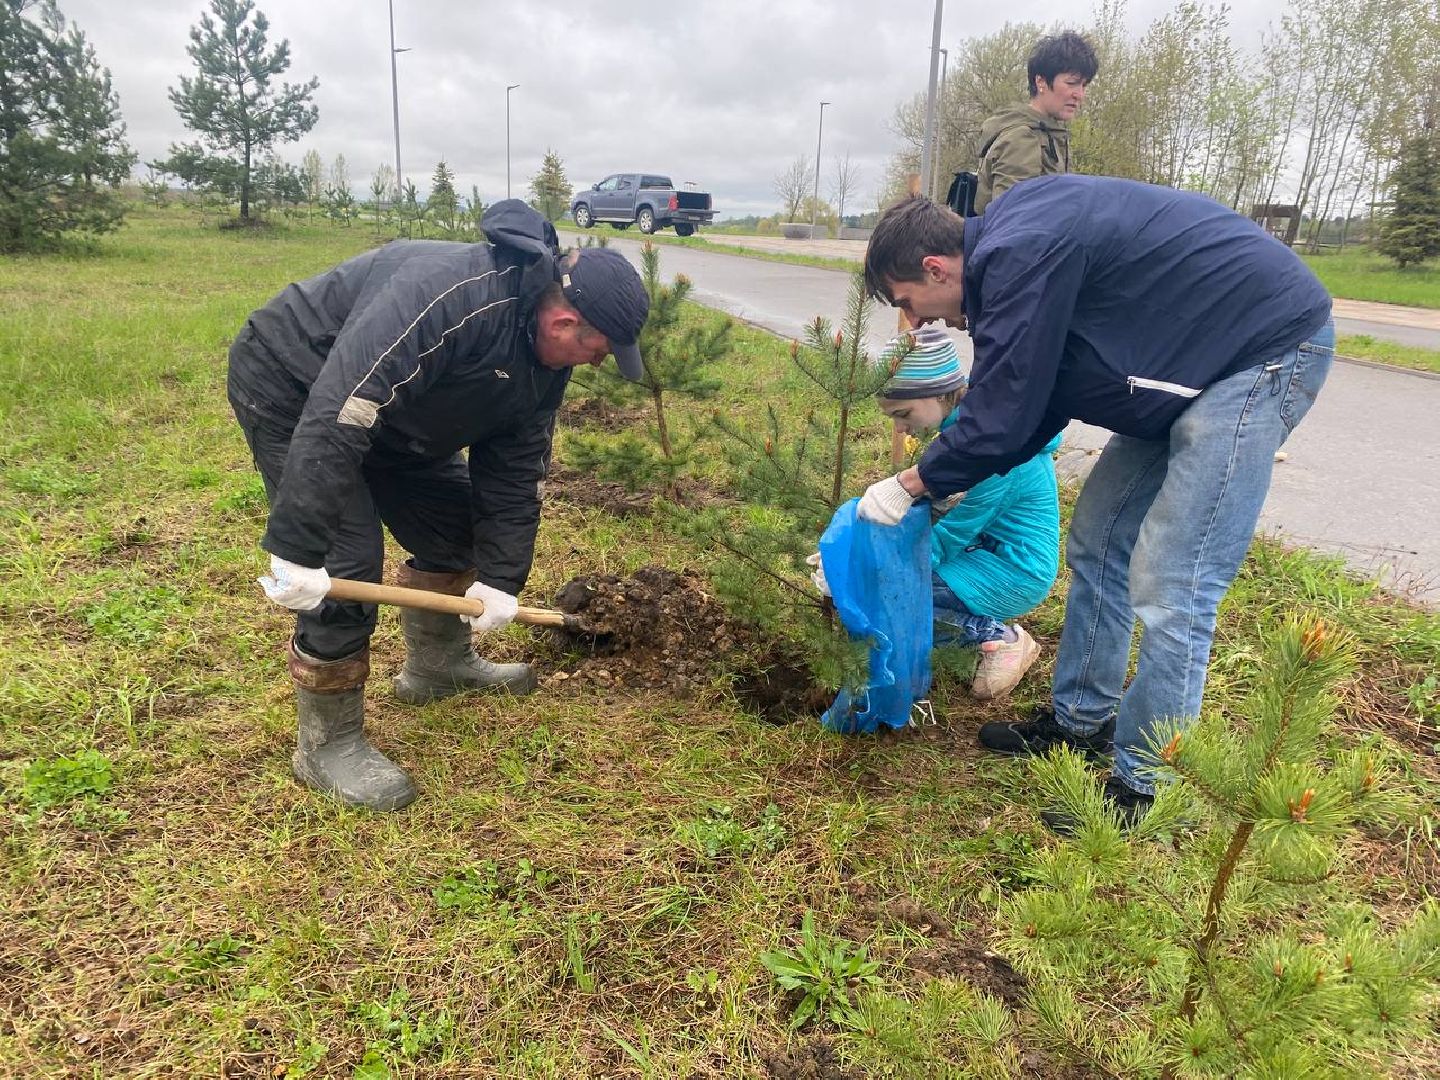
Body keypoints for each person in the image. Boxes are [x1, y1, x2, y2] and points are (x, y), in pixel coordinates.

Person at [857, 181, 1334, 831]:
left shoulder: (1018, 254)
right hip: (1201, 359)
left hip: (1261, 354)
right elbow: (1034, 401)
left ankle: (1146, 788)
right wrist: (933, 477)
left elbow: (1003, 413)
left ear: (935, 268)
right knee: (1099, 539)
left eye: (911, 303)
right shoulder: (1016, 252)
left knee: (1175, 583)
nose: (918, 322)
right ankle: (1079, 722)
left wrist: (913, 483)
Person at [227, 200, 649, 812]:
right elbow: (346, 405)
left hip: (396, 415)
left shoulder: (544, 365)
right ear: (564, 323)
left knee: (459, 527)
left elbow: (512, 472)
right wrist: (297, 548)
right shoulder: (452, 296)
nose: (598, 364)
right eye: (600, 351)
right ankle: (327, 742)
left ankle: (438, 664)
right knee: (347, 566)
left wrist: (501, 581)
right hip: (298, 384)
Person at [874, 328, 1061, 700]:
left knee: (901, 597)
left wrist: (885, 569)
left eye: (904, 413)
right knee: (896, 594)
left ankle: (999, 638)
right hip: (985, 553)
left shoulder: (998, 456)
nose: (899, 426)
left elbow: (952, 534)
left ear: (938, 394)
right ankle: (963, 630)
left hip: (1015, 571)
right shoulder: (969, 433)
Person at [973, 30, 1098, 214]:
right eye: (1071, 83)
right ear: (1041, 82)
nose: (1079, 94)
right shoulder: (1022, 139)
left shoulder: (1049, 133)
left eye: (1084, 85)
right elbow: (1012, 227)